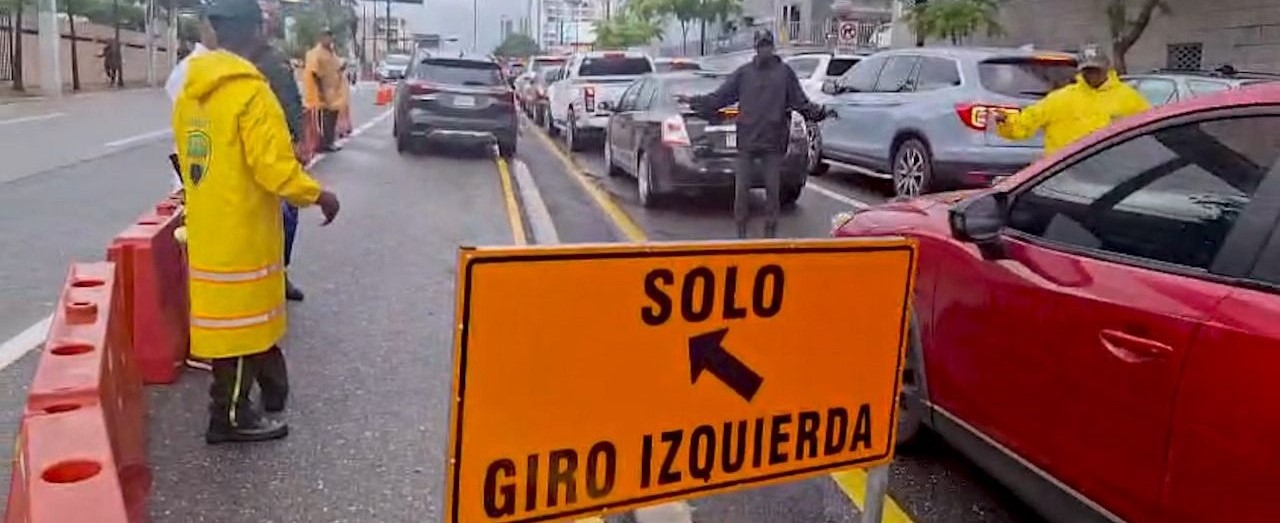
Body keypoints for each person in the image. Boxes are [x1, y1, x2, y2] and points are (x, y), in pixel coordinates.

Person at [173, 0, 340, 444]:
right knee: (242, 331)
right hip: (243, 231)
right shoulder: (251, 93)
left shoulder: (192, 90)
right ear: (257, 31)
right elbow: (275, 169)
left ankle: (269, 387)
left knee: (233, 324)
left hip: (208, 228)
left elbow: (191, 158)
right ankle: (229, 417)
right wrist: (319, 195)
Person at [680, 30, 829, 239]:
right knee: (741, 192)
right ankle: (741, 236)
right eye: (760, 46)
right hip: (747, 142)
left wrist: (820, 113)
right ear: (755, 48)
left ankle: (769, 237)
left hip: (773, 143)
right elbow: (719, 98)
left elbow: (800, 102)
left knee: (772, 193)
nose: (764, 50)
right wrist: (693, 101)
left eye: (767, 45)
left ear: (772, 47)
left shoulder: (785, 73)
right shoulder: (744, 74)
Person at [244, 6, 310, 302]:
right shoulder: (220, 60)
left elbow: (291, 101)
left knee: (287, 214)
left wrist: (299, 139)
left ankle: (278, 272)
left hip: (276, 146)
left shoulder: (273, 60)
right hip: (243, 149)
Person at [994, 47, 1150, 155]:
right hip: (1064, 173)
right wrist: (1006, 122)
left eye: (1096, 70)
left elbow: (1148, 132)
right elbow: (1026, 123)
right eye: (1087, 70)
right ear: (1081, 71)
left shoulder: (1129, 98)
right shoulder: (1060, 98)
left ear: (1106, 68)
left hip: (1109, 175)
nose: (1091, 75)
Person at [303, 29, 343, 153]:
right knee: (324, 119)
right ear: (321, 38)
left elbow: (337, 67)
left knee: (332, 118)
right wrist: (320, 91)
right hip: (322, 94)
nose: (329, 39)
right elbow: (314, 73)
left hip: (333, 93)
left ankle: (329, 141)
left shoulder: (331, 52)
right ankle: (324, 143)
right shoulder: (316, 53)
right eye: (326, 36)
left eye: (330, 36)